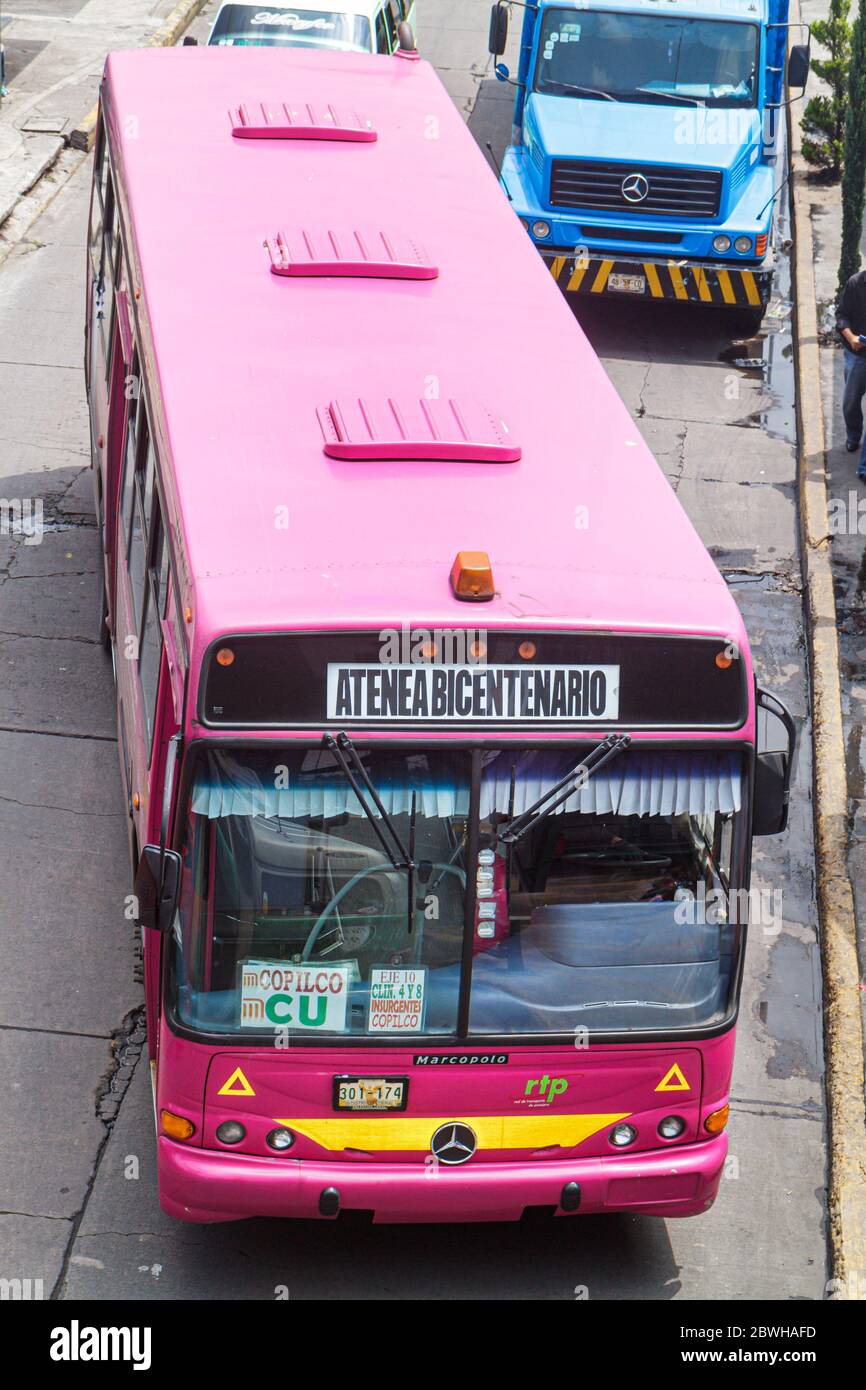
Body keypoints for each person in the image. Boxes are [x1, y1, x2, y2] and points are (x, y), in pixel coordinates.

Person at [836, 267, 866, 480]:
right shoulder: (855, 283)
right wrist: (851, 337)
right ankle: (854, 435)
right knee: (850, 402)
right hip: (857, 356)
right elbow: (841, 316)